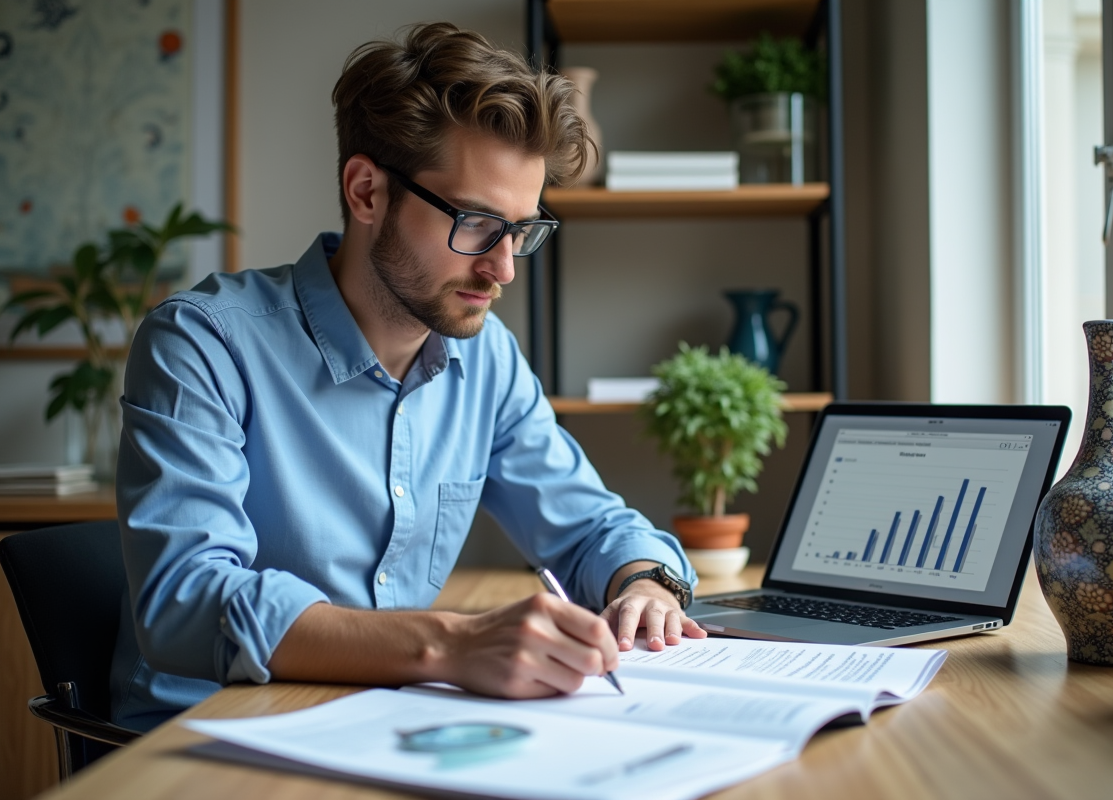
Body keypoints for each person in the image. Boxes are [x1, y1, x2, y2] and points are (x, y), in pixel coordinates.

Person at [110, 21, 705, 732]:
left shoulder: (486, 360)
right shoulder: (202, 343)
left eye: (520, 230)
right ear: (366, 192)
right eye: (478, 223)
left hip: (385, 724)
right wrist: (451, 643)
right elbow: (187, 600)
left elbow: (590, 528)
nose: (503, 267)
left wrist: (644, 583)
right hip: (206, 740)